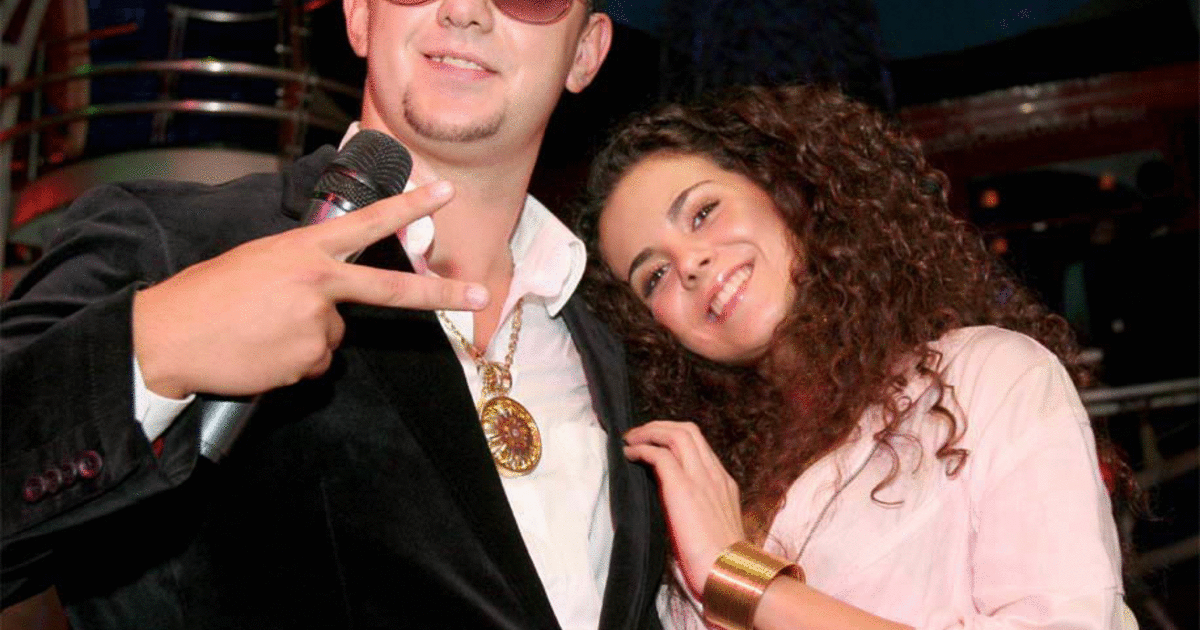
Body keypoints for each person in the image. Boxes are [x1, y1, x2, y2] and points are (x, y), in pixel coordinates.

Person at [1, 1, 668, 628]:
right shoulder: (177, 242)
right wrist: (153, 347)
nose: (464, 9)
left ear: (585, 52)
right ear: (358, 15)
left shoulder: (623, 355)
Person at [577, 85, 1137, 630]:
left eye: (703, 213)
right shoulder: (697, 492)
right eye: (654, 275)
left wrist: (744, 582)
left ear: (783, 191)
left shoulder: (989, 380)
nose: (690, 264)